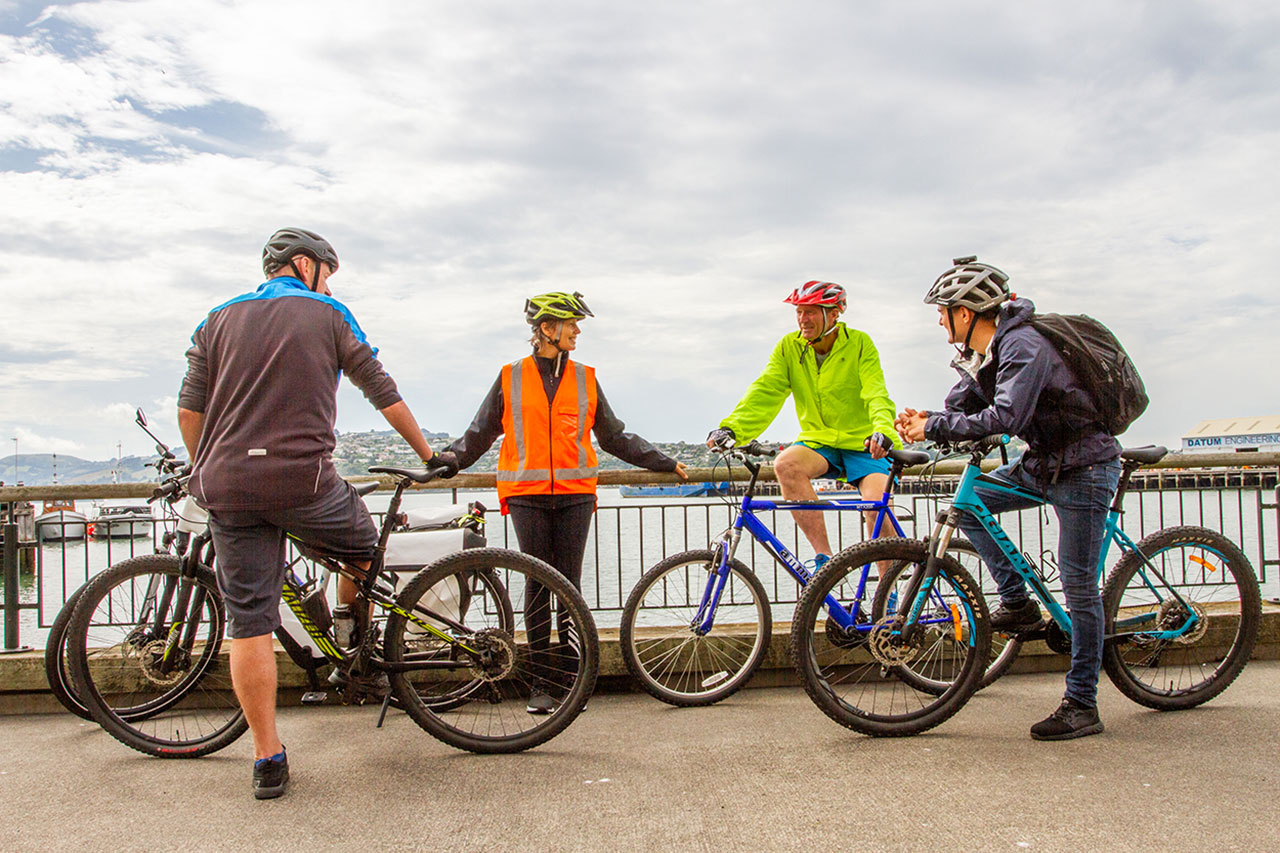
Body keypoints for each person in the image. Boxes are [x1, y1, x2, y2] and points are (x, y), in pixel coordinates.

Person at [177, 228, 437, 799]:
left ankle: (267, 759)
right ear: (304, 264)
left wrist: (203, 467)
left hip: (228, 486)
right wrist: (427, 454)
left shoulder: (214, 319)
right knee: (364, 549)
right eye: (328, 270)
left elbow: (189, 409)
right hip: (303, 482)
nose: (330, 281)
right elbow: (379, 387)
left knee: (249, 622)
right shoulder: (329, 314)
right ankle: (355, 645)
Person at [894, 255, 1122, 741]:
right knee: (968, 507)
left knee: (1079, 586)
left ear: (969, 311)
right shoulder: (991, 353)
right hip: (1044, 464)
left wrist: (935, 424)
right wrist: (923, 421)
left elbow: (1007, 417)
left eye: (945, 309)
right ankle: (1017, 603)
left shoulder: (1023, 345)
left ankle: (1083, 703)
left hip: (1084, 468)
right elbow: (965, 405)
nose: (939, 318)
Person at [432, 291, 688, 713]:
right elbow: (478, 433)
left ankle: (571, 680)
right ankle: (540, 683)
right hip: (527, 495)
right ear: (546, 329)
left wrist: (662, 461)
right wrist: (447, 462)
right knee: (537, 586)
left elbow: (613, 436)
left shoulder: (586, 377)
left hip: (574, 496)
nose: (577, 330)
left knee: (568, 587)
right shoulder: (511, 376)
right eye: (571, 323)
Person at [706, 281, 898, 568]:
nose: (802, 319)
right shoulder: (789, 347)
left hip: (864, 444)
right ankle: (827, 563)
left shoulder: (860, 344)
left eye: (810, 312)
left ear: (834, 313)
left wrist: (883, 430)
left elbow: (876, 393)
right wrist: (732, 428)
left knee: (876, 507)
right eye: (799, 312)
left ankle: (888, 593)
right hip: (819, 441)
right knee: (786, 465)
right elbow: (766, 391)